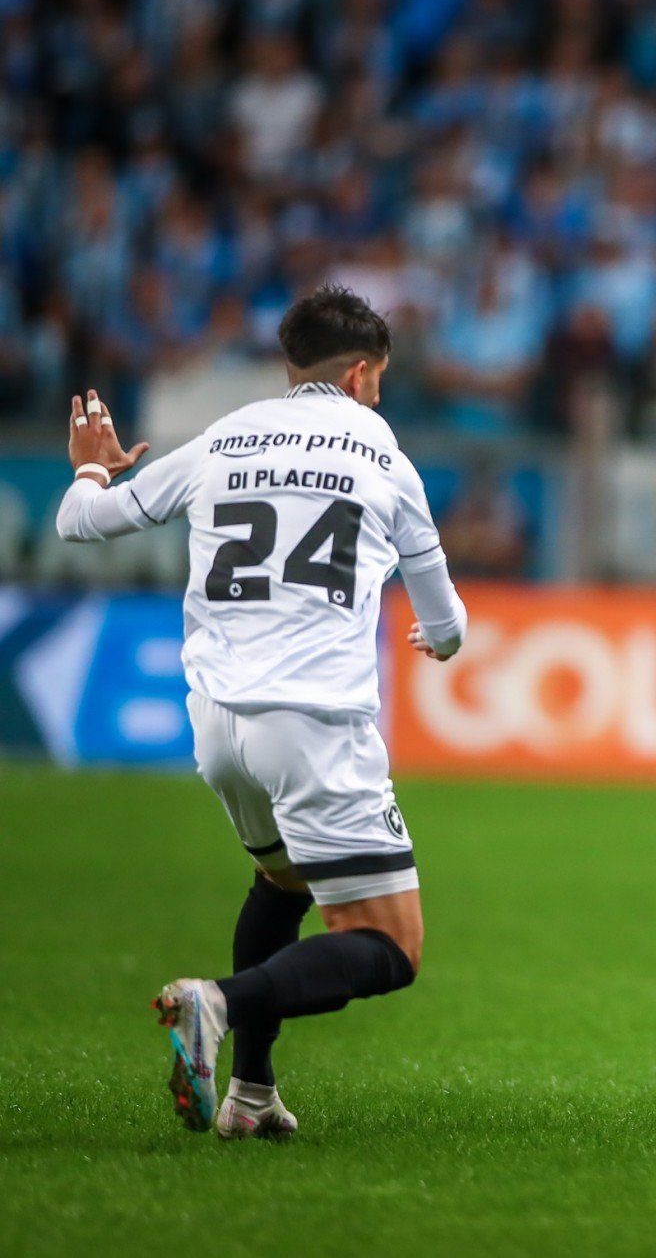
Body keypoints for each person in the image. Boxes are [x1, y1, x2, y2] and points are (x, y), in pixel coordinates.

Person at [54, 285, 468, 1140]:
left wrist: (95, 465)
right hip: (314, 722)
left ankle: (249, 1093)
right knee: (391, 948)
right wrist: (443, 638)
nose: (378, 394)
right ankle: (219, 1002)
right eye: (379, 378)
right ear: (360, 374)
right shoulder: (382, 452)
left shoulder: (225, 436)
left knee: (280, 883)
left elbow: (80, 520)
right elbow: (446, 616)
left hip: (215, 724)